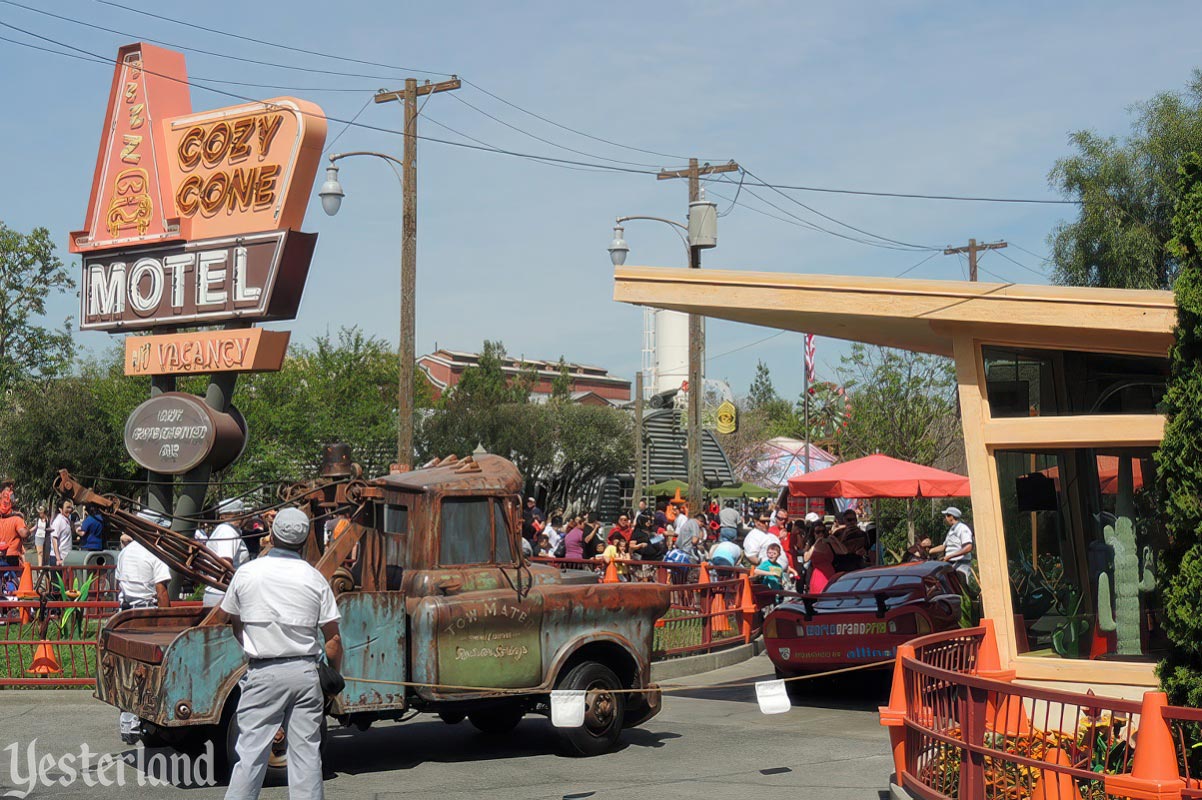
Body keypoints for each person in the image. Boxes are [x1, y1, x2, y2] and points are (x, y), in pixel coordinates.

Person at [214, 507, 341, 800]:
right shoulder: (314, 578)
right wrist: (332, 678)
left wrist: (254, 643)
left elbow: (231, 619)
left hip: (264, 671)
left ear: (271, 535)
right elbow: (333, 639)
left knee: (251, 754)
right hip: (305, 672)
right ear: (306, 539)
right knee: (307, 756)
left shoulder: (247, 574)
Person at [115, 519, 172, 744]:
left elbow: (120, 583)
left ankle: (127, 719)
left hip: (125, 614)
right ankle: (141, 718)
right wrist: (168, 623)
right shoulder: (155, 554)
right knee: (146, 670)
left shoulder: (126, 552)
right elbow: (161, 592)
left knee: (128, 667)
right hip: (147, 615)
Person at [204, 499, 251, 607]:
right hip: (224, 595)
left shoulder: (224, 530)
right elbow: (225, 564)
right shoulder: (227, 531)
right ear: (240, 514)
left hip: (222, 593)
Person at [930, 507, 974, 582]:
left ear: (951, 517)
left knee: (961, 587)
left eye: (946, 515)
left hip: (961, 564)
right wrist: (930, 551)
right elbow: (944, 546)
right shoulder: (952, 530)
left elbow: (968, 547)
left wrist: (950, 556)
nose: (945, 518)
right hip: (951, 563)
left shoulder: (962, 528)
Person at [49, 500, 74, 567]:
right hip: (58, 558)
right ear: (60, 509)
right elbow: (54, 539)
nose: (70, 509)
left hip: (66, 557)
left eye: (70, 507)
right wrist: (58, 559)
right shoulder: (58, 521)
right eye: (67, 507)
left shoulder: (66, 520)